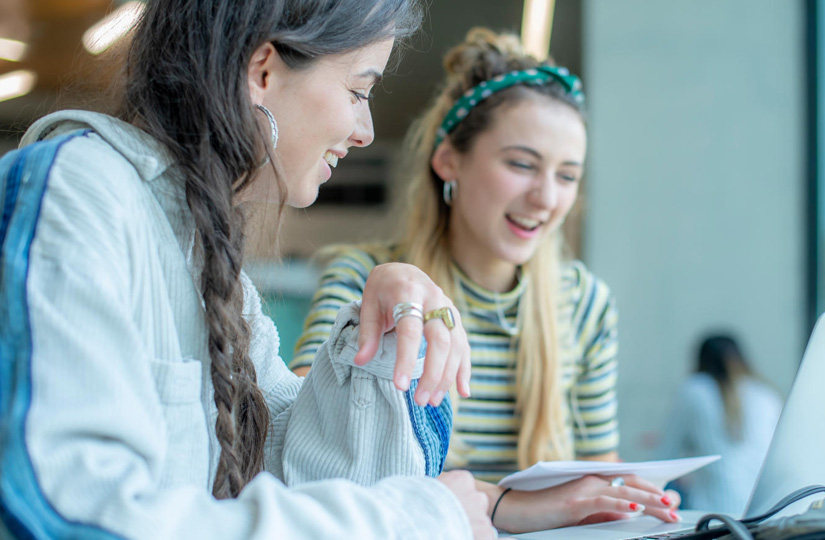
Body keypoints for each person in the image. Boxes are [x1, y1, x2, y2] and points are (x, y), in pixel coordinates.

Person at [0, 0, 497, 538]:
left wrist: (378, 344)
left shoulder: (210, 258)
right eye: (358, 91)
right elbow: (68, 514)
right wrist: (414, 520)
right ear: (262, 71)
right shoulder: (77, 190)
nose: (366, 131)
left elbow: (294, 473)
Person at [290, 28, 680, 533]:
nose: (545, 198)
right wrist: (505, 504)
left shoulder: (584, 304)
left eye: (567, 175)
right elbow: (302, 443)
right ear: (449, 158)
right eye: (522, 164)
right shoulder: (369, 282)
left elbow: (597, 485)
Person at [657, 334, 783, 515]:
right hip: (764, 509)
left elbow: (665, 456)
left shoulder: (693, 390)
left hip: (712, 512)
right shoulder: (766, 394)